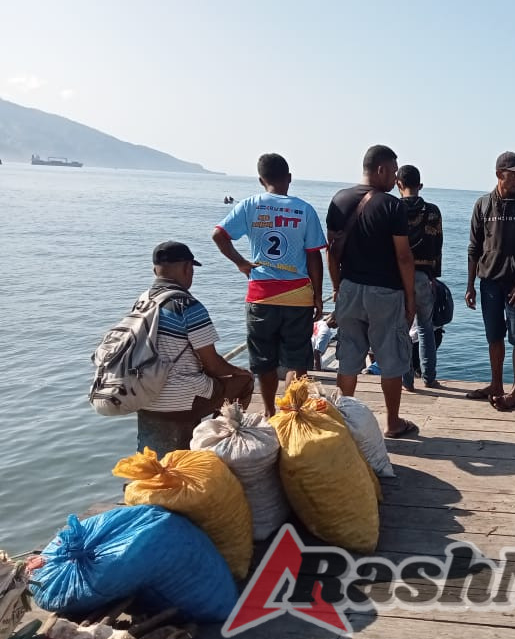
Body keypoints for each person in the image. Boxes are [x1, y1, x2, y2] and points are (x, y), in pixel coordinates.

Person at [213, 153, 325, 416]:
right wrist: (318, 295)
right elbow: (313, 255)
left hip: (261, 295)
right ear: (289, 178)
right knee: (297, 360)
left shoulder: (251, 205)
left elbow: (219, 235)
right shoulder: (304, 209)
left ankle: (268, 411)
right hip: (297, 296)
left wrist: (241, 263)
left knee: (264, 360)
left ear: (261, 180)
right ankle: (295, 411)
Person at [326, 144, 417, 439]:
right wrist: (411, 298)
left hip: (350, 288)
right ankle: (392, 423)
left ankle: (343, 422)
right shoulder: (392, 206)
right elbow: (404, 257)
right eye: (392, 171)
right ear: (380, 169)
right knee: (390, 357)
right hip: (385, 293)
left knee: (349, 355)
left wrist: (337, 287)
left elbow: (332, 251)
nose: (394, 178)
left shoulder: (338, 200)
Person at [136, 242, 254, 458]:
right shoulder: (188, 306)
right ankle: (219, 443)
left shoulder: (142, 302)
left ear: (155, 270)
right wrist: (239, 371)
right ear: (187, 268)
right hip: (181, 402)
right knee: (244, 382)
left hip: (143, 396)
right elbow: (214, 365)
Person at [464, 151, 515, 411]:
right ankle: (496, 385)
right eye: (514, 174)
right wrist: (469, 285)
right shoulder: (483, 204)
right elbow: (474, 247)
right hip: (488, 282)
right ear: (500, 174)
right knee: (493, 336)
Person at [395, 164, 444, 390]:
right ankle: (430, 377)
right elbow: (438, 245)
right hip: (425, 275)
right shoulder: (433, 211)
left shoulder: (393, 208)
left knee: (402, 328)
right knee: (425, 327)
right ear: (420, 185)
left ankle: (406, 381)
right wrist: (434, 275)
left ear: (399, 184)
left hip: (398, 277)